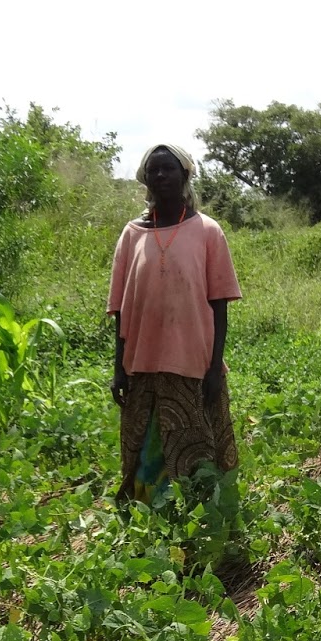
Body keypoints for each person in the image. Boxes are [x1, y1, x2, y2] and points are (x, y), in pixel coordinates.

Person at [107, 143, 243, 503]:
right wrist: (118, 367)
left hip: (192, 363)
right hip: (141, 365)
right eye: (154, 170)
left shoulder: (208, 231)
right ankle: (149, 516)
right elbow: (120, 308)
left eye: (168, 169)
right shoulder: (132, 234)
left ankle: (203, 515)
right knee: (146, 447)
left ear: (184, 175)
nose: (161, 176)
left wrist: (215, 368)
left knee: (198, 446)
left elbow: (219, 306)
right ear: (146, 180)